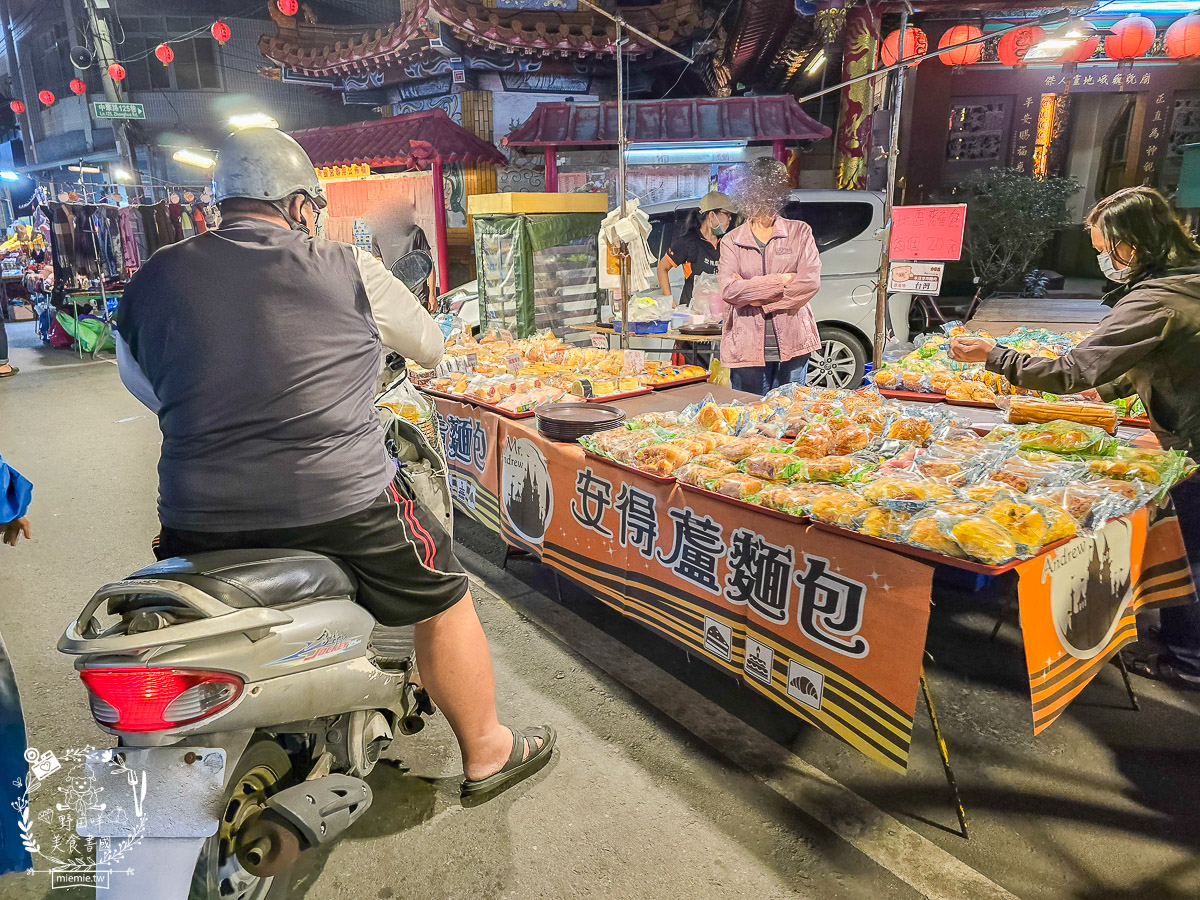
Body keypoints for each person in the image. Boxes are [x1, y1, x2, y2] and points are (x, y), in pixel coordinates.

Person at [116, 127, 555, 800]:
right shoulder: (349, 267)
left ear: (219, 204)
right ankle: (488, 749)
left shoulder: (152, 279)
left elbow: (143, 386)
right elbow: (431, 348)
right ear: (297, 206)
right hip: (338, 504)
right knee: (444, 593)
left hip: (196, 519)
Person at [950, 185, 1200, 690]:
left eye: (1105, 249)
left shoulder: (1159, 298)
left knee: (1192, 549)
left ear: (1132, 242)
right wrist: (1102, 393)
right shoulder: (1186, 281)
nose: (1103, 259)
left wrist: (994, 355)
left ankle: (1187, 656)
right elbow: (1144, 360)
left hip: (1195, 437)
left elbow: (1074, 369)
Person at [718, 158, 821, 394]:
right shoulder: (732, 240)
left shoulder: (800, 232)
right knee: (750, 417)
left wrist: (755, 297)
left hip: (794, 342)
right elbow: (729, 290)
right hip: (746, 347)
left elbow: (809, 282)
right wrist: (782, 280)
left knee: (791, 416)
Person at [656, 191, 734, 307]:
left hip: (720, 311)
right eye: (726, 214)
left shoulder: (727, 242)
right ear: (712, 215)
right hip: (694, 313)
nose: (730, 218)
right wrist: (669, 300)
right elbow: (662, 267)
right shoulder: (687, 242)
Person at [370, 203, 437, 313]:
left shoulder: (416, 232)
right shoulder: (377, 236)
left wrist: (432, 295)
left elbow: (429, 264)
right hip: (393, 297)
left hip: (418, 297)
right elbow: (378, 269)